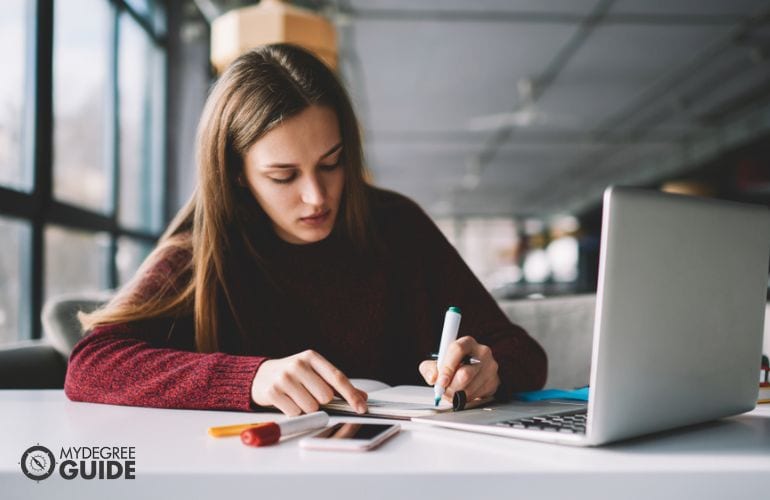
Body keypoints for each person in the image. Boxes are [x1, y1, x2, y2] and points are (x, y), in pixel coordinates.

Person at [64, 44, 547, 416]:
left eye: (331, 164)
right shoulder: (202, 251)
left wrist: (484, 370)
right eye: (284, 176)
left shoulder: (397, 225)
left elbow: (523, 352)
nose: (317, 197)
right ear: (236, 173)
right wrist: (250, 379)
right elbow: (90, 365)